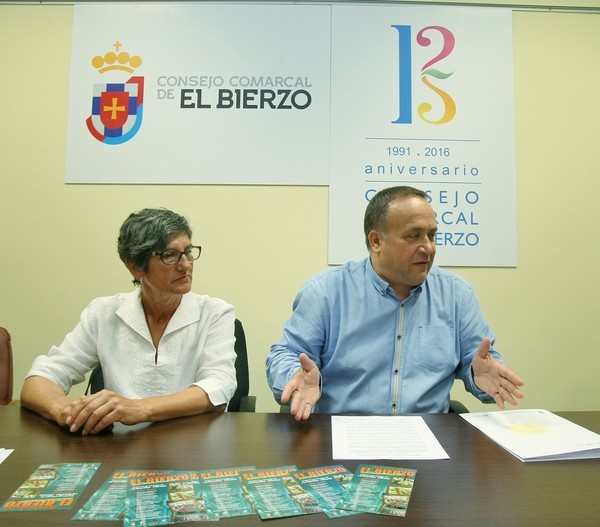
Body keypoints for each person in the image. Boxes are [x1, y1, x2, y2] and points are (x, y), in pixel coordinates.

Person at [266, 186, 524, 420]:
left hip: (429, 438)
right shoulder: (324, 293)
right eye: (414, 236)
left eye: (431, 236)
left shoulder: (456, 294)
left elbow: (478, 361)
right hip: (342, 434)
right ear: (376, 241)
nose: (428, 248)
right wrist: (294, 376)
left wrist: (479, 376)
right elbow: (286, 354)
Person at [21, 208, 237, 435]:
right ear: (135, 267)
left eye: (188, 251)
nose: (186, 264)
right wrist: (67, 411)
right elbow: (41, 378)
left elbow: (219, 385)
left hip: (193, 448)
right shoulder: (103, 313)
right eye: (170, 255)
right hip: (121, 448)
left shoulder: (215, 313)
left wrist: (138, 408)